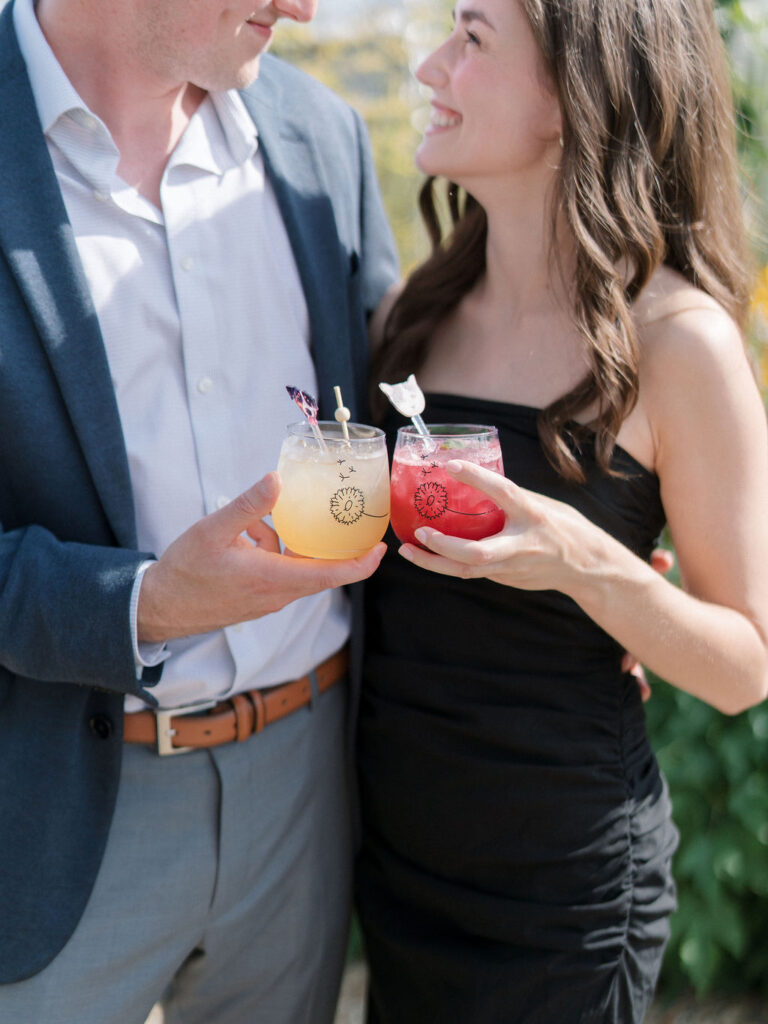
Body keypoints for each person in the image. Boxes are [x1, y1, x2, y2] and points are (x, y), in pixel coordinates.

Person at [355, 0, 768, 1021]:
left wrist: (587, 561)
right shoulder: (413, 318)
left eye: (473, 38)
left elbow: (745, 665)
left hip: (562, 896)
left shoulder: (681, 343)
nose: (431, 69)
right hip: (398, 878)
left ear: (571, 99)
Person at [0, 0, 398, 1021]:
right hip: (45, 809)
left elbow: (407, 402)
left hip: (305, 791)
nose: (308, 8)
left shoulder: (320, 135)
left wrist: (586, 568)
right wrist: (145, 602)